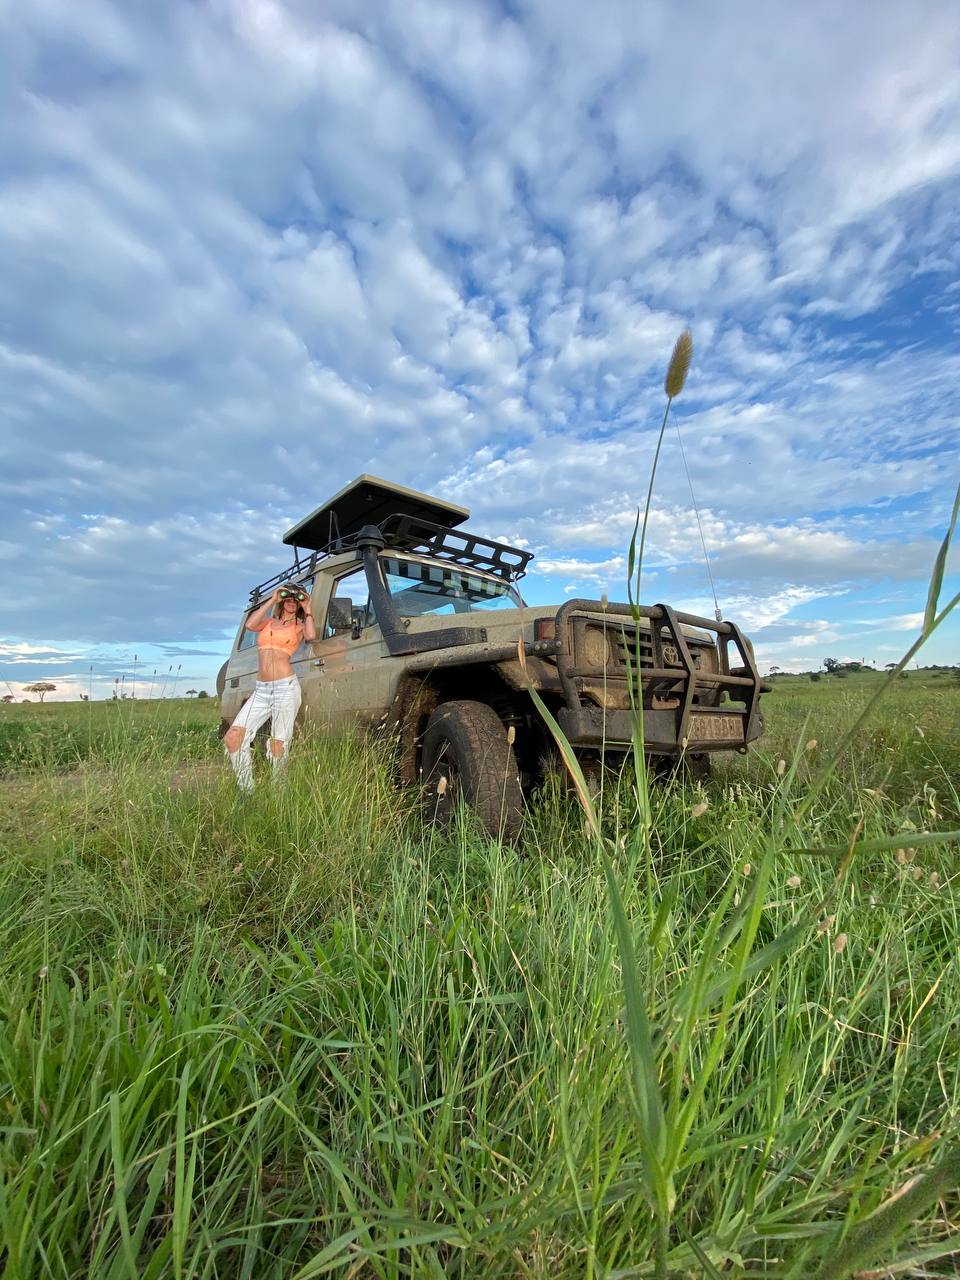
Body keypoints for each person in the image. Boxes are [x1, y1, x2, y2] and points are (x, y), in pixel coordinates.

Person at [223, 583, 316, 792]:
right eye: (288, 598)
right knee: (234, 737)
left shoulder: (299, 626)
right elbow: (250, 625)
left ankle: (278, 793)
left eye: (296, 599)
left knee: (278, 744)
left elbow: (311, 636)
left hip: (285, 688)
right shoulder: (268, 623)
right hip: (261, 689)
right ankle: (247, 792)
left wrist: (307, 606)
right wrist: (273, 598)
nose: (292, 601)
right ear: (283, 600)